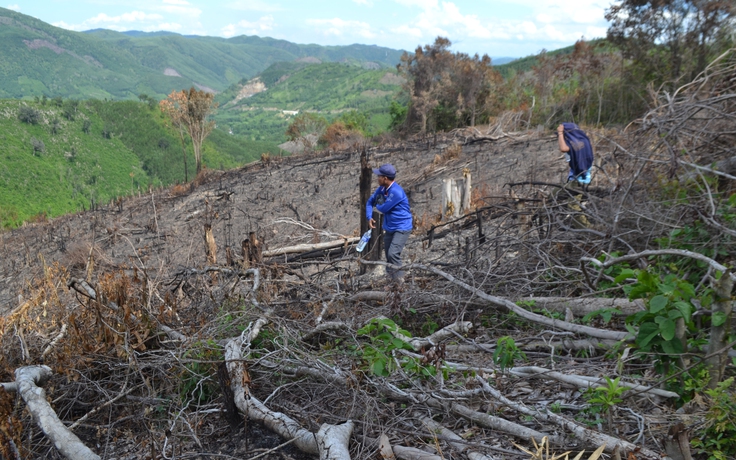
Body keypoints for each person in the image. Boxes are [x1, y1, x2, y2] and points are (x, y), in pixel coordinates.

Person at [366, 163, 413, 281]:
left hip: (402, 227)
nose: (377, 178)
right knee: (388, 257)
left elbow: (383, 208)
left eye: (379, 176)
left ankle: (400, 282)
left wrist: (379, 204)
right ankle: (391, 282)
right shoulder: (382, 189)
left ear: (385, 178)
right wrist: (369, 217)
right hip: (390, 227)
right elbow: (370, 202)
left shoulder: (396, 192)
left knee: (393, 254)